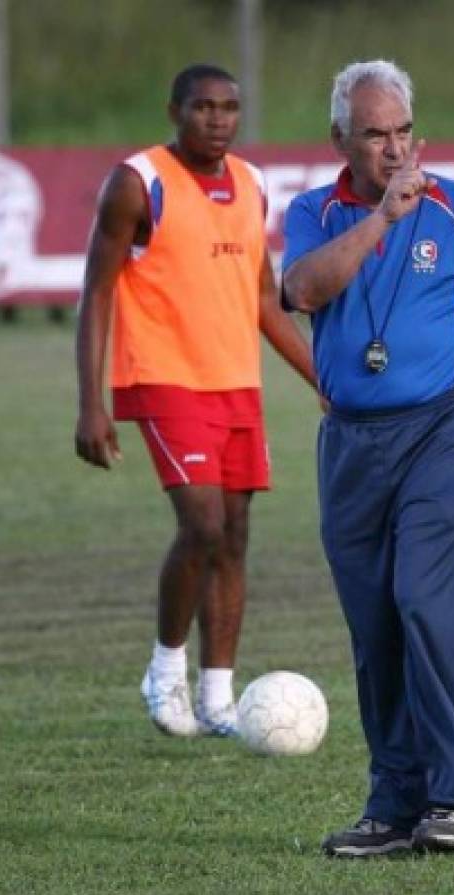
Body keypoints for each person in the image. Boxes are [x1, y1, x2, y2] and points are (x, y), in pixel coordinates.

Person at [282, 60, 454, 856]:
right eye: (374, 134)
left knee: (424, 601)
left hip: (446, 428)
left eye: (402, 130)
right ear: (339, 139)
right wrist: (378, 219)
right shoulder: (312, 212)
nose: (392, 148)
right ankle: (393, 805)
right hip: (350, 445)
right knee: (375, 626)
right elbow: (303, 290)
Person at [75, 63, 317, 739]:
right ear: (175, 109)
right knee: (203, 524)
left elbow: (263, 300)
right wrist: (90, 404)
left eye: (229, 108)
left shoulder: (252, 184)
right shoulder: (137, 183)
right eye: (203, 107)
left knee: (235, 536)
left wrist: (324, 379)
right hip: (161, 378)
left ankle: (218, 696)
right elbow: (96, 292)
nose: (217, 120)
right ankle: (164, 672)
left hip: (235, 382)